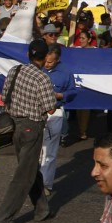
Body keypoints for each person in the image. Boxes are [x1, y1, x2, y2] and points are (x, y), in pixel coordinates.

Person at [0, 39, 56, 223]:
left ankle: (41, 209)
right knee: (24, 175)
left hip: (14, 125)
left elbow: (4, 97)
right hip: (32, 126)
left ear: (29, 54)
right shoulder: (42, 78)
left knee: (29, 168)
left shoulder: (15, 71)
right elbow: (50, 108)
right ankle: (4, 217)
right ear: (45, 58)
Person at [40, 44, 76, 195]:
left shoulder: (66, 72)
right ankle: (33, 180)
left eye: (50, 62)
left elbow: (73, 91)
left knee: (50, 151)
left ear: (57, 60)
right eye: (45, 61)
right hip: (35, 113)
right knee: (35, 150)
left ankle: (45, 185)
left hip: (55, 113)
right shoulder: (36, 69)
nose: (47, 64)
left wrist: (60, 95)